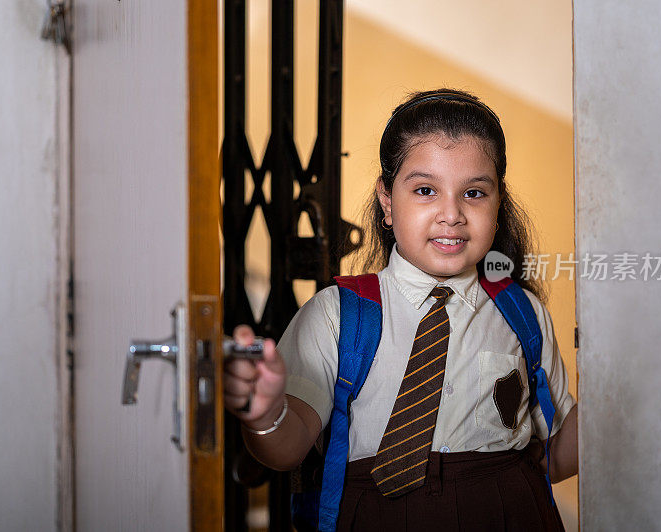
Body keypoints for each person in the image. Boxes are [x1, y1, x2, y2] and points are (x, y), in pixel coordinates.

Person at [224, 88, 578, 531]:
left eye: (474, 193)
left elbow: (556, 458)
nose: (451, 215)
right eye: (426, 190)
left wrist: (615, 391)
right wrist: (264, 413)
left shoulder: (521, 312)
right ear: (388, 201)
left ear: (498, 202)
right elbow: (287, 448)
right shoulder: (337, 314)